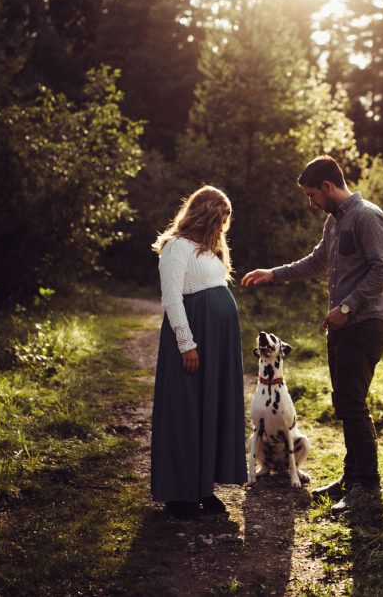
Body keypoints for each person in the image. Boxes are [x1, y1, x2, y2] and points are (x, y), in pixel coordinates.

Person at [241, 156, 383, 514]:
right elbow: (317, 262)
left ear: (327, 187)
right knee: (344, 402)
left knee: (352, 403)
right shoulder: (334, 222)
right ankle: (350, 479)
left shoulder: (368, 216)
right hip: (343, 325)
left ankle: (367, 486)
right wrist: (273, 274)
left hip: (365, 323)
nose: (310, 202)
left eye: (311, 195)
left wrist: (346, 308)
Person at [151, 186, 247, 519]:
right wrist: (186, 343)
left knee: (212, 408)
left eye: (226, 221)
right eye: (219, 220)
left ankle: (205, 487)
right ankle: (180, 494)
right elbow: (172, 299)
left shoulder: (209, 250)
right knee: (187, 410)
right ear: (205, 216)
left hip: (218, 340)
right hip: (195, 336)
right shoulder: (176, 248)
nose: (223, 227)